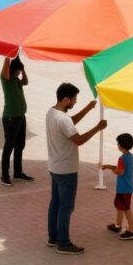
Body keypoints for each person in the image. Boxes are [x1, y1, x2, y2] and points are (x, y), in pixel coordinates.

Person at [46, 83, 107, 255]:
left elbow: (69, 123)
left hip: (55, 167)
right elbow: (78, 140)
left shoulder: (52, 112)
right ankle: (64, 243)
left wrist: (88, 109)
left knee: (55, 203)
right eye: (73, 100)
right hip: (67, 170)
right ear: (66, 99)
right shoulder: (62, 119)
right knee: (66, 207)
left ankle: (53, 237)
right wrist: (98, 127)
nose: (75, 102)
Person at [0, 56, 32, 186]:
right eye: (18, 70)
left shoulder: (17, 80)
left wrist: (23, 70)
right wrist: (8, 55)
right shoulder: (6, 78)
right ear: (14, 69)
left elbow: (26, 82)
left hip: (21, 116)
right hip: (11, 117)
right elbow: (6, 67)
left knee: (20, 146)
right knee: (9, 146)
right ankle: (4, 175)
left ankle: (18, 172)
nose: (19, 72)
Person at [101, 133, 133, 241]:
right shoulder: (130, 156)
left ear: (121, 145)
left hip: (124, 188)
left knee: (126, 208)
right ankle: (117, 225)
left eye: (118, 143)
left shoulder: (122, 158)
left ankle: (132, 230)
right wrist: (109, 166)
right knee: (119, 207)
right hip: (126, 187)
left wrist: (109, 168)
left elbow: (119, 171)